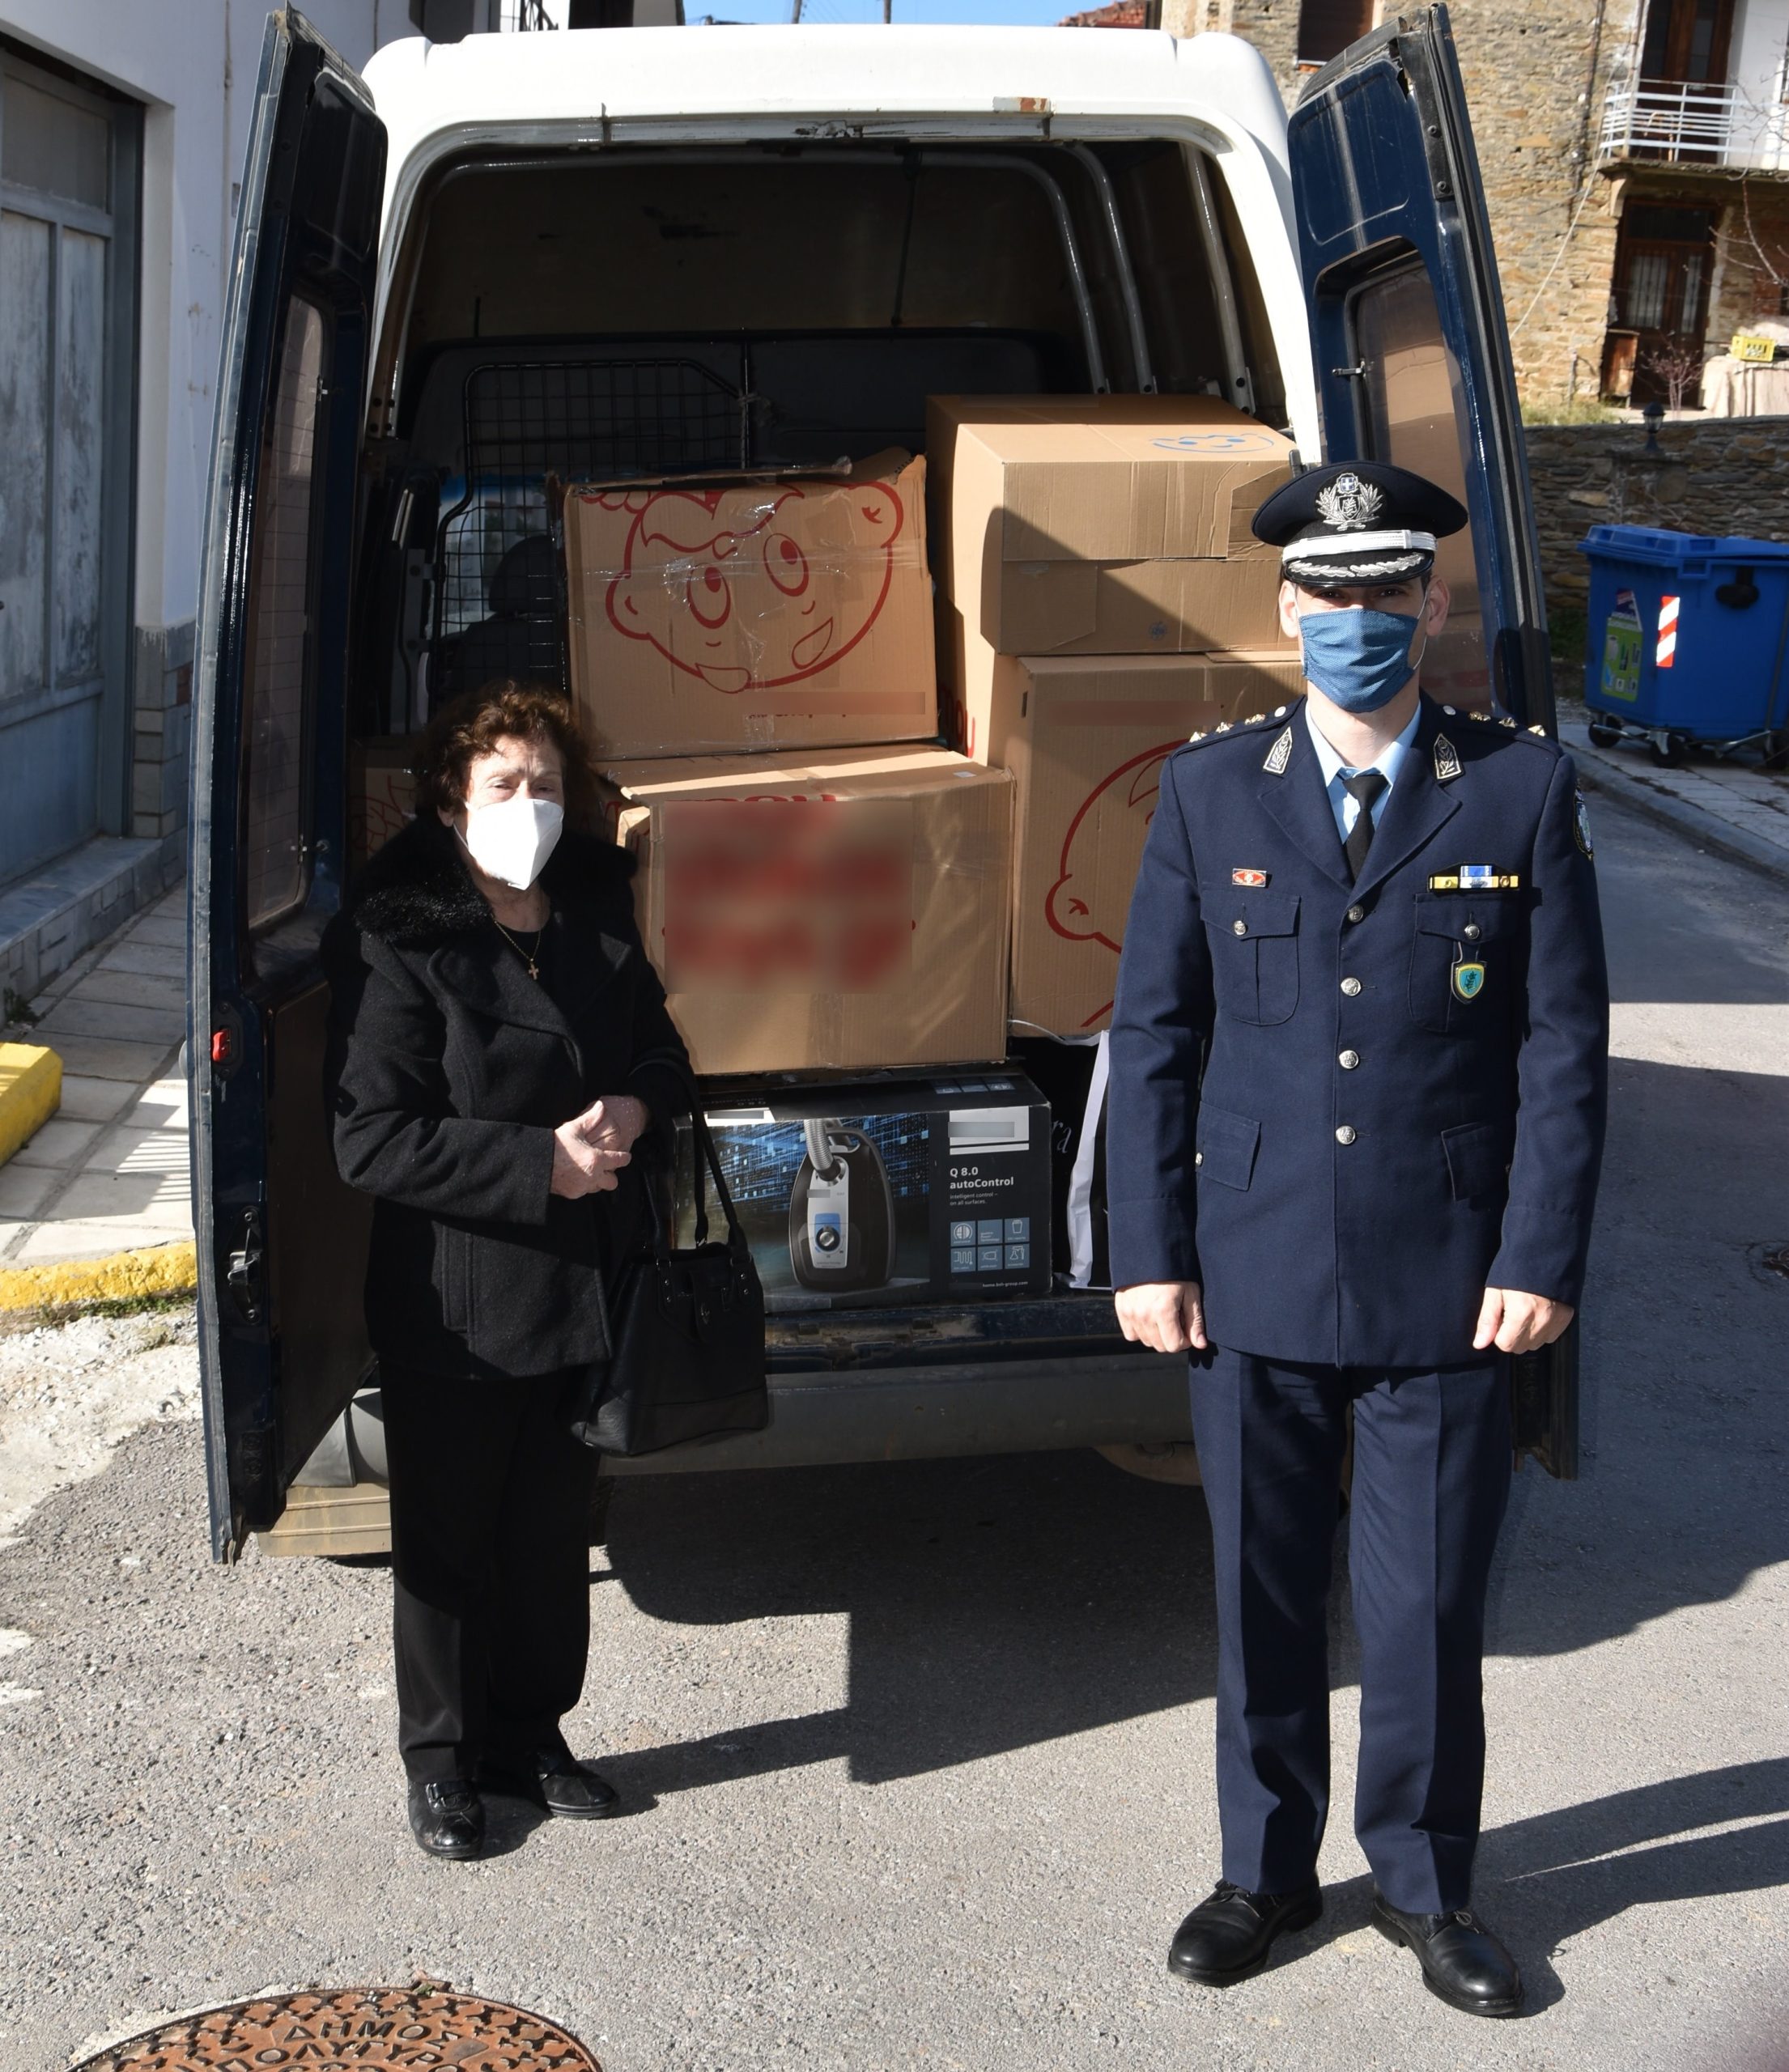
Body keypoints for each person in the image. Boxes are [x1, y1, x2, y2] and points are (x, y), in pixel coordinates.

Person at [1106, 462, 1608, 2018]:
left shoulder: (1516, 789)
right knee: (1259, 1596)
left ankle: (1424, 1885)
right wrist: (1146, 1250)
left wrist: (1537, 1257)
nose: (1353, 618)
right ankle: (1262, 1874)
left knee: (1425, 1610)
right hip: (1249, 1266)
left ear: (1431, 604)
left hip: (1444, 1275)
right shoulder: (1208, 789)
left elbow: (1561, 1049)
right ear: (1283, 611)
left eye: (1383, 590)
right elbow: (1155, 1036)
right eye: (1325, 594)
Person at [324, 679, 690, 1861]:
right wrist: (542, 1166)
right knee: (447, 1540)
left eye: (547, 784)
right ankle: (441, 1764)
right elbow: (370, 1137)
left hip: (584, 1281)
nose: (528, 803)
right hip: (462, 1296)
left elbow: (660, 1048)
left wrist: (637, 1104)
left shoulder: (590, 901)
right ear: (450, 797)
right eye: (503, 783)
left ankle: (529, 1737)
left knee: (547, 1535)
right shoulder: (397, 930)